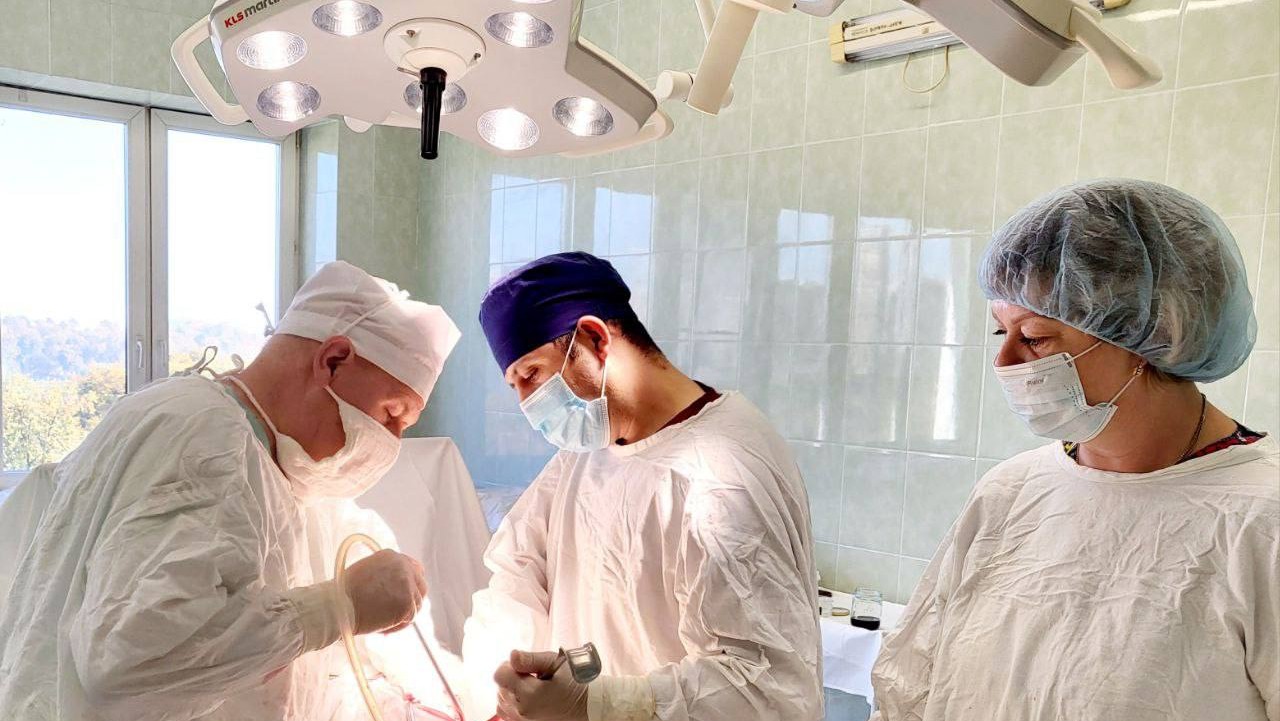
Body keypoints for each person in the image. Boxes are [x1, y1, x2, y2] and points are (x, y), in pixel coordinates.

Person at [871, 180, 1279, 721]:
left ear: (1159, 330)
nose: (1005, 363)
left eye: (1035, 337)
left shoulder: (1261, 518)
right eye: (1000, 334)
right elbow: (911, 687)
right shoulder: (1012, 492)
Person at [0, 261, 461, 721]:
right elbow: (133, 659)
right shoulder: (204, 440)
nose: (391, 442)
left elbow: (272, 662)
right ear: (333, 361)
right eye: (391, 414)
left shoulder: (273, 468)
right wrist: (336, 608)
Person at [462, 251, 822, 721]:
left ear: (594, 339)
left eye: (531, 375)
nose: (528, 406)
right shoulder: (585, 455)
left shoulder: (722, 474)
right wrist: (502, 681)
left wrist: (601, 704)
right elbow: (520, 568)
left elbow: (766, 690)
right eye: (515, 386)